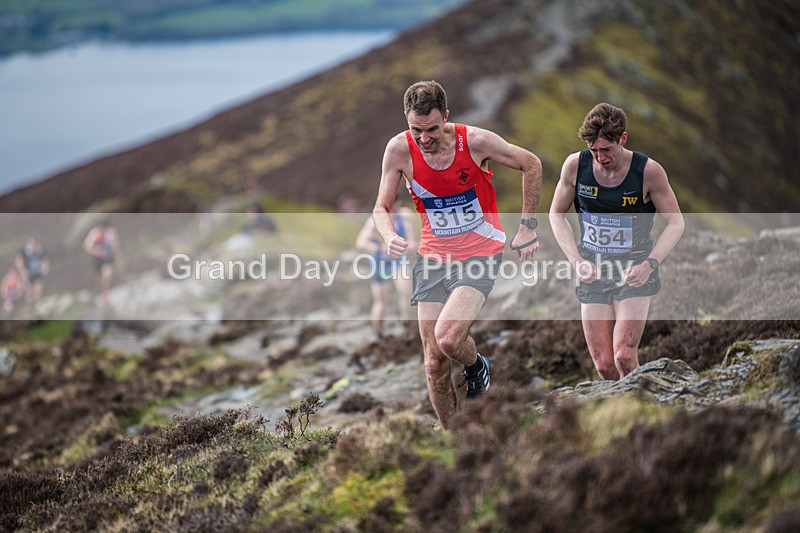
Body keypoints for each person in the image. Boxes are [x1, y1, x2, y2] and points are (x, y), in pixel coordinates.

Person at [372, 80, 542, 428]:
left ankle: (477, 365)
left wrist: (528, 226)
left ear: (446, 117)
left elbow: (531, 163)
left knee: (448, 338)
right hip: (433, 257)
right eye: (416, 129)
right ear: (406, 120)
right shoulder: (398, 150)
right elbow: (381, 207)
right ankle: (455, 437)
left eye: (432, 129)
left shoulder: (475, 141)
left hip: (481, 252)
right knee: (433, 363)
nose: (424, 138)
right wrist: (389, 235)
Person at [549, 103, 684, 380]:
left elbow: (676, 223)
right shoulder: (575, 166)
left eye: (606, 149)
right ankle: (622, 403)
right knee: (604, 365)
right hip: (593, 269)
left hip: (634, 270)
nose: (600, 157)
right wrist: (576, 261)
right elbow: (556, 214)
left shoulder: (648, 172)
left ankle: (644, 400)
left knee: (623, 356)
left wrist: (649, 265)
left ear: (622, 138)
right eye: (593, 150)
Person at [355, 207, 415, 338]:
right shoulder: (374, 220)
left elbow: (412, 242)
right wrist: (380, 247)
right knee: (380, 301)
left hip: (399, 262)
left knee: (406, 293)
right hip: (381, 263)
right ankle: (377, 331)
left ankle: (406, 325)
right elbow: (361, 242)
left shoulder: (405, 216)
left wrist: (406, 246)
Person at [83, 219, 120, 307]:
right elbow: (87, 246)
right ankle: (100, 292)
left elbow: (115, 244)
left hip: (107, 257)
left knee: (107, 274)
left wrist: (116, 254)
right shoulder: (95, 233)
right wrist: (96, 252)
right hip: (98, 258)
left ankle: (105, 293)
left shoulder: (111, 233)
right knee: (99, 277)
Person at [15, 237, 49, 306]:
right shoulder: (23, 252)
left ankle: (38, 304)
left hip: (38, 273)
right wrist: (23, 271)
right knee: (29, 290)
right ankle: (29, 305)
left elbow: (45, 261)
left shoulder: (41, 251)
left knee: (38, 289)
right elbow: (19, 262)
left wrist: (45, 268)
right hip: (28, 274)